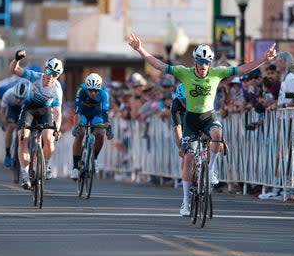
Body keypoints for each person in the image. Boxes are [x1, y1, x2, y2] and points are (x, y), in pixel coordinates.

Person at [128, 32, 277, 216]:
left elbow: (242, 69)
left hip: (208, 117)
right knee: (189, 159)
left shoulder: (217, 72)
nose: (204, 66)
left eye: (208, 62)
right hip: (191, 120)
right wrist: (140, 49)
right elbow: (160, 65)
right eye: (201, 62)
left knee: (217, 135)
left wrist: (264, 58)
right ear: (195, 61)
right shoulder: (184, 72)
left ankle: (212, 169)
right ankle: (185, 202)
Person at [9, 50, 63, 189]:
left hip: (45, 112)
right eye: (49, 71)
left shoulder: (57, 89)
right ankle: (25, 175)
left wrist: (57, 129)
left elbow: (57, 112)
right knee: (23, 137)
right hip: (29, 110)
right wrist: (17, 59)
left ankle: (46, 164)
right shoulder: (35, 77)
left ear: (58, 76)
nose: (51, 76)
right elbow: (14, 70)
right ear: (45, 69)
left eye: (55, 74)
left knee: (49, 139)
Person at [71, 72, 111, 180]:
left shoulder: (104, 93)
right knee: (81, 133)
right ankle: (75, 167)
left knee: (100, 133)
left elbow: (105, 113)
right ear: (87, 87)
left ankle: (95, 159)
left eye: (96, 91)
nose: (93, 93)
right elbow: (77, 112)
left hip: (96, 114)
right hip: (83, 113)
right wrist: (76, 126)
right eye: (91, 90)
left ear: (99, 89)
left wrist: (108, 128)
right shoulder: (81, 90)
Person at [0, 80, 29, 167]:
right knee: (10, 127)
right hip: (12, 108)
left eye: (21, 99)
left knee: (25, 129)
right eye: (17, 97)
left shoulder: (29, 97)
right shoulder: (8, 94)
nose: (18, 100)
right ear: (14, 94)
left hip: (24, 109)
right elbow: (2, 111)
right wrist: (4, 123)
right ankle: (8, 154)